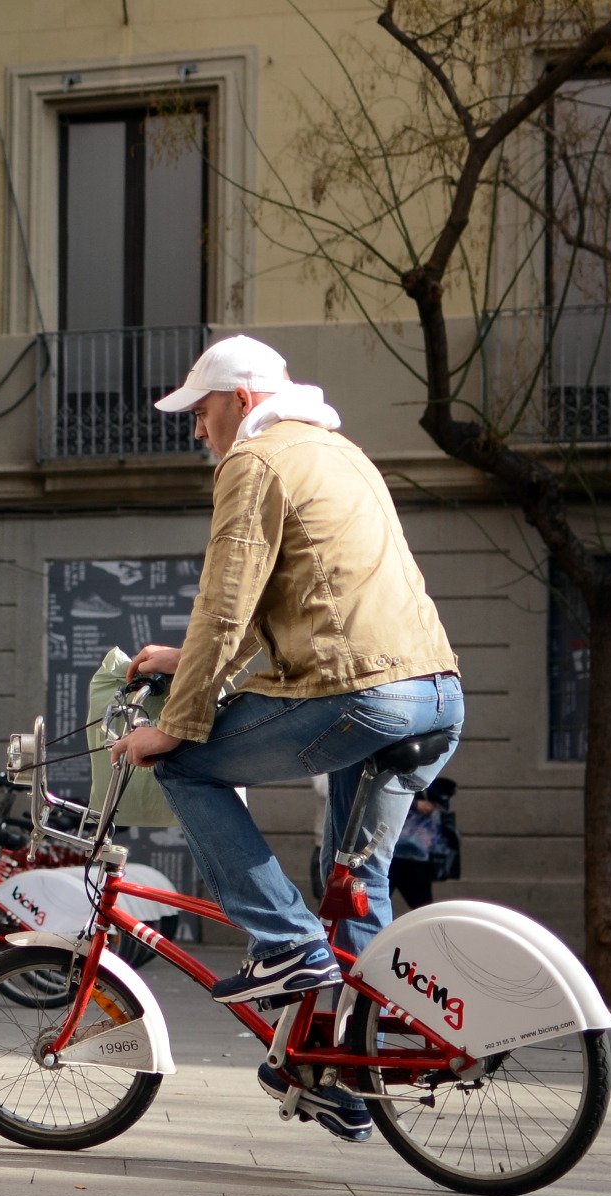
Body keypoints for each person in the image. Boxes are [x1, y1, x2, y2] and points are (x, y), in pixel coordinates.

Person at [107, 336, 462, 1141]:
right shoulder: (340, 453)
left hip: (359, 697)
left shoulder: (256, 461)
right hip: (433, 694)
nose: (198, 431)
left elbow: (228, 603)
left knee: (187, 767)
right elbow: (315, 601)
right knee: (353, 889)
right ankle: (339, 1072)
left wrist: (173, 724)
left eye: (199, 413)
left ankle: (283, 942)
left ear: (238, 399)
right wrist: (183, 661)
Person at [390, 776, 460, 910]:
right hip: (395, 855)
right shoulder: (397, 774)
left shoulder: (427, 780)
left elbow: (443, 800)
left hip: (416, 860)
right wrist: (416, 804)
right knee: (376, 900)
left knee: (423, 907)